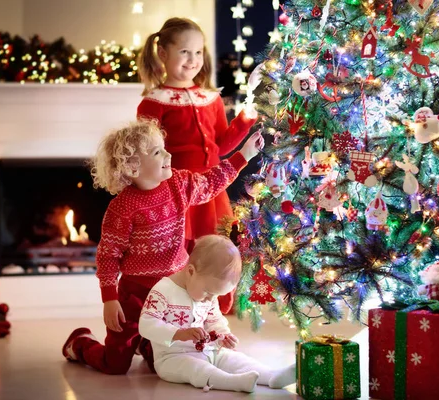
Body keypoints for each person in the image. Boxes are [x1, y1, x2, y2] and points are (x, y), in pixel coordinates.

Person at [62, 119, 263, 375]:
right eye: (158, 152)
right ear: (133, 167)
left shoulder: (179, 184)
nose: (168, 154)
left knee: (163, 359)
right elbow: (108, 256)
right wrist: (109, 299)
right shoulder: (122, 208)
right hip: (134, 293)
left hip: (174, 288)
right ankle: (79, 343)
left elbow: (212, 182)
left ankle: (146, 345)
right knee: (115, 364)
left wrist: (244, 154)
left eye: (164, 148)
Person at [137, 17, 258, 313]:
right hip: (177, 191)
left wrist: (249, 109)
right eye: (184, 52)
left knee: (217, 248)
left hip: (213, 189)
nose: (193, 60)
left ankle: (214, 314)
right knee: (182, 251)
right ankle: (175, 313)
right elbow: (148, 154)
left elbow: (223, 145)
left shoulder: (211, 98)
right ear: (163, 54)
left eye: (198, 52)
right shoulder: (153, 103)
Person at [138, 235, 295, 392]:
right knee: (196, 368)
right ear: (191, 271)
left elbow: (215, 320)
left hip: (209, 351)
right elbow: (146, 325)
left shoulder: (207, 295)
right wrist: (179, 334)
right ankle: (230, 382)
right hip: (172, 358)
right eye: (208, 292)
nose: (210, 299)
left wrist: (224, 335)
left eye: (215, 295)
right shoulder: (164, 290)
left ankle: (270, 376)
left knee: (234, 359)